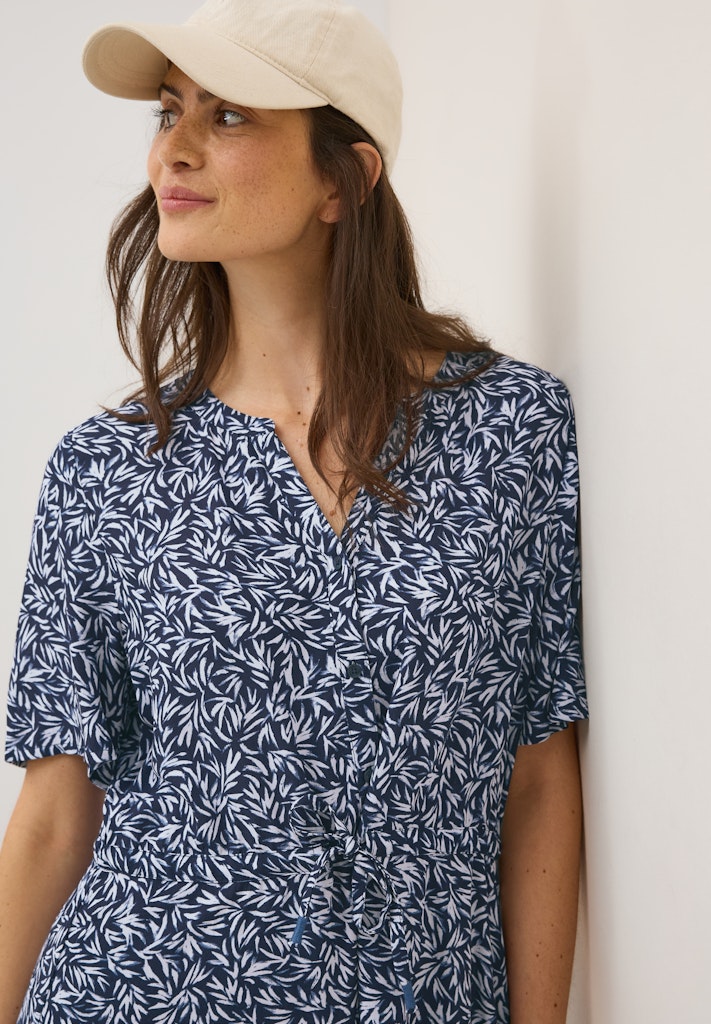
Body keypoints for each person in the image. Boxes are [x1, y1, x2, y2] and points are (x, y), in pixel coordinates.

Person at [0, 1, 587, 1022]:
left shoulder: (510, 429)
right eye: (169, 111)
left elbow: (537, 773)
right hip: (135, 993)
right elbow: (53, 817)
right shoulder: (108, 470)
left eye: (228, 115)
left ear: (343, 179)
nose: (174, 149)